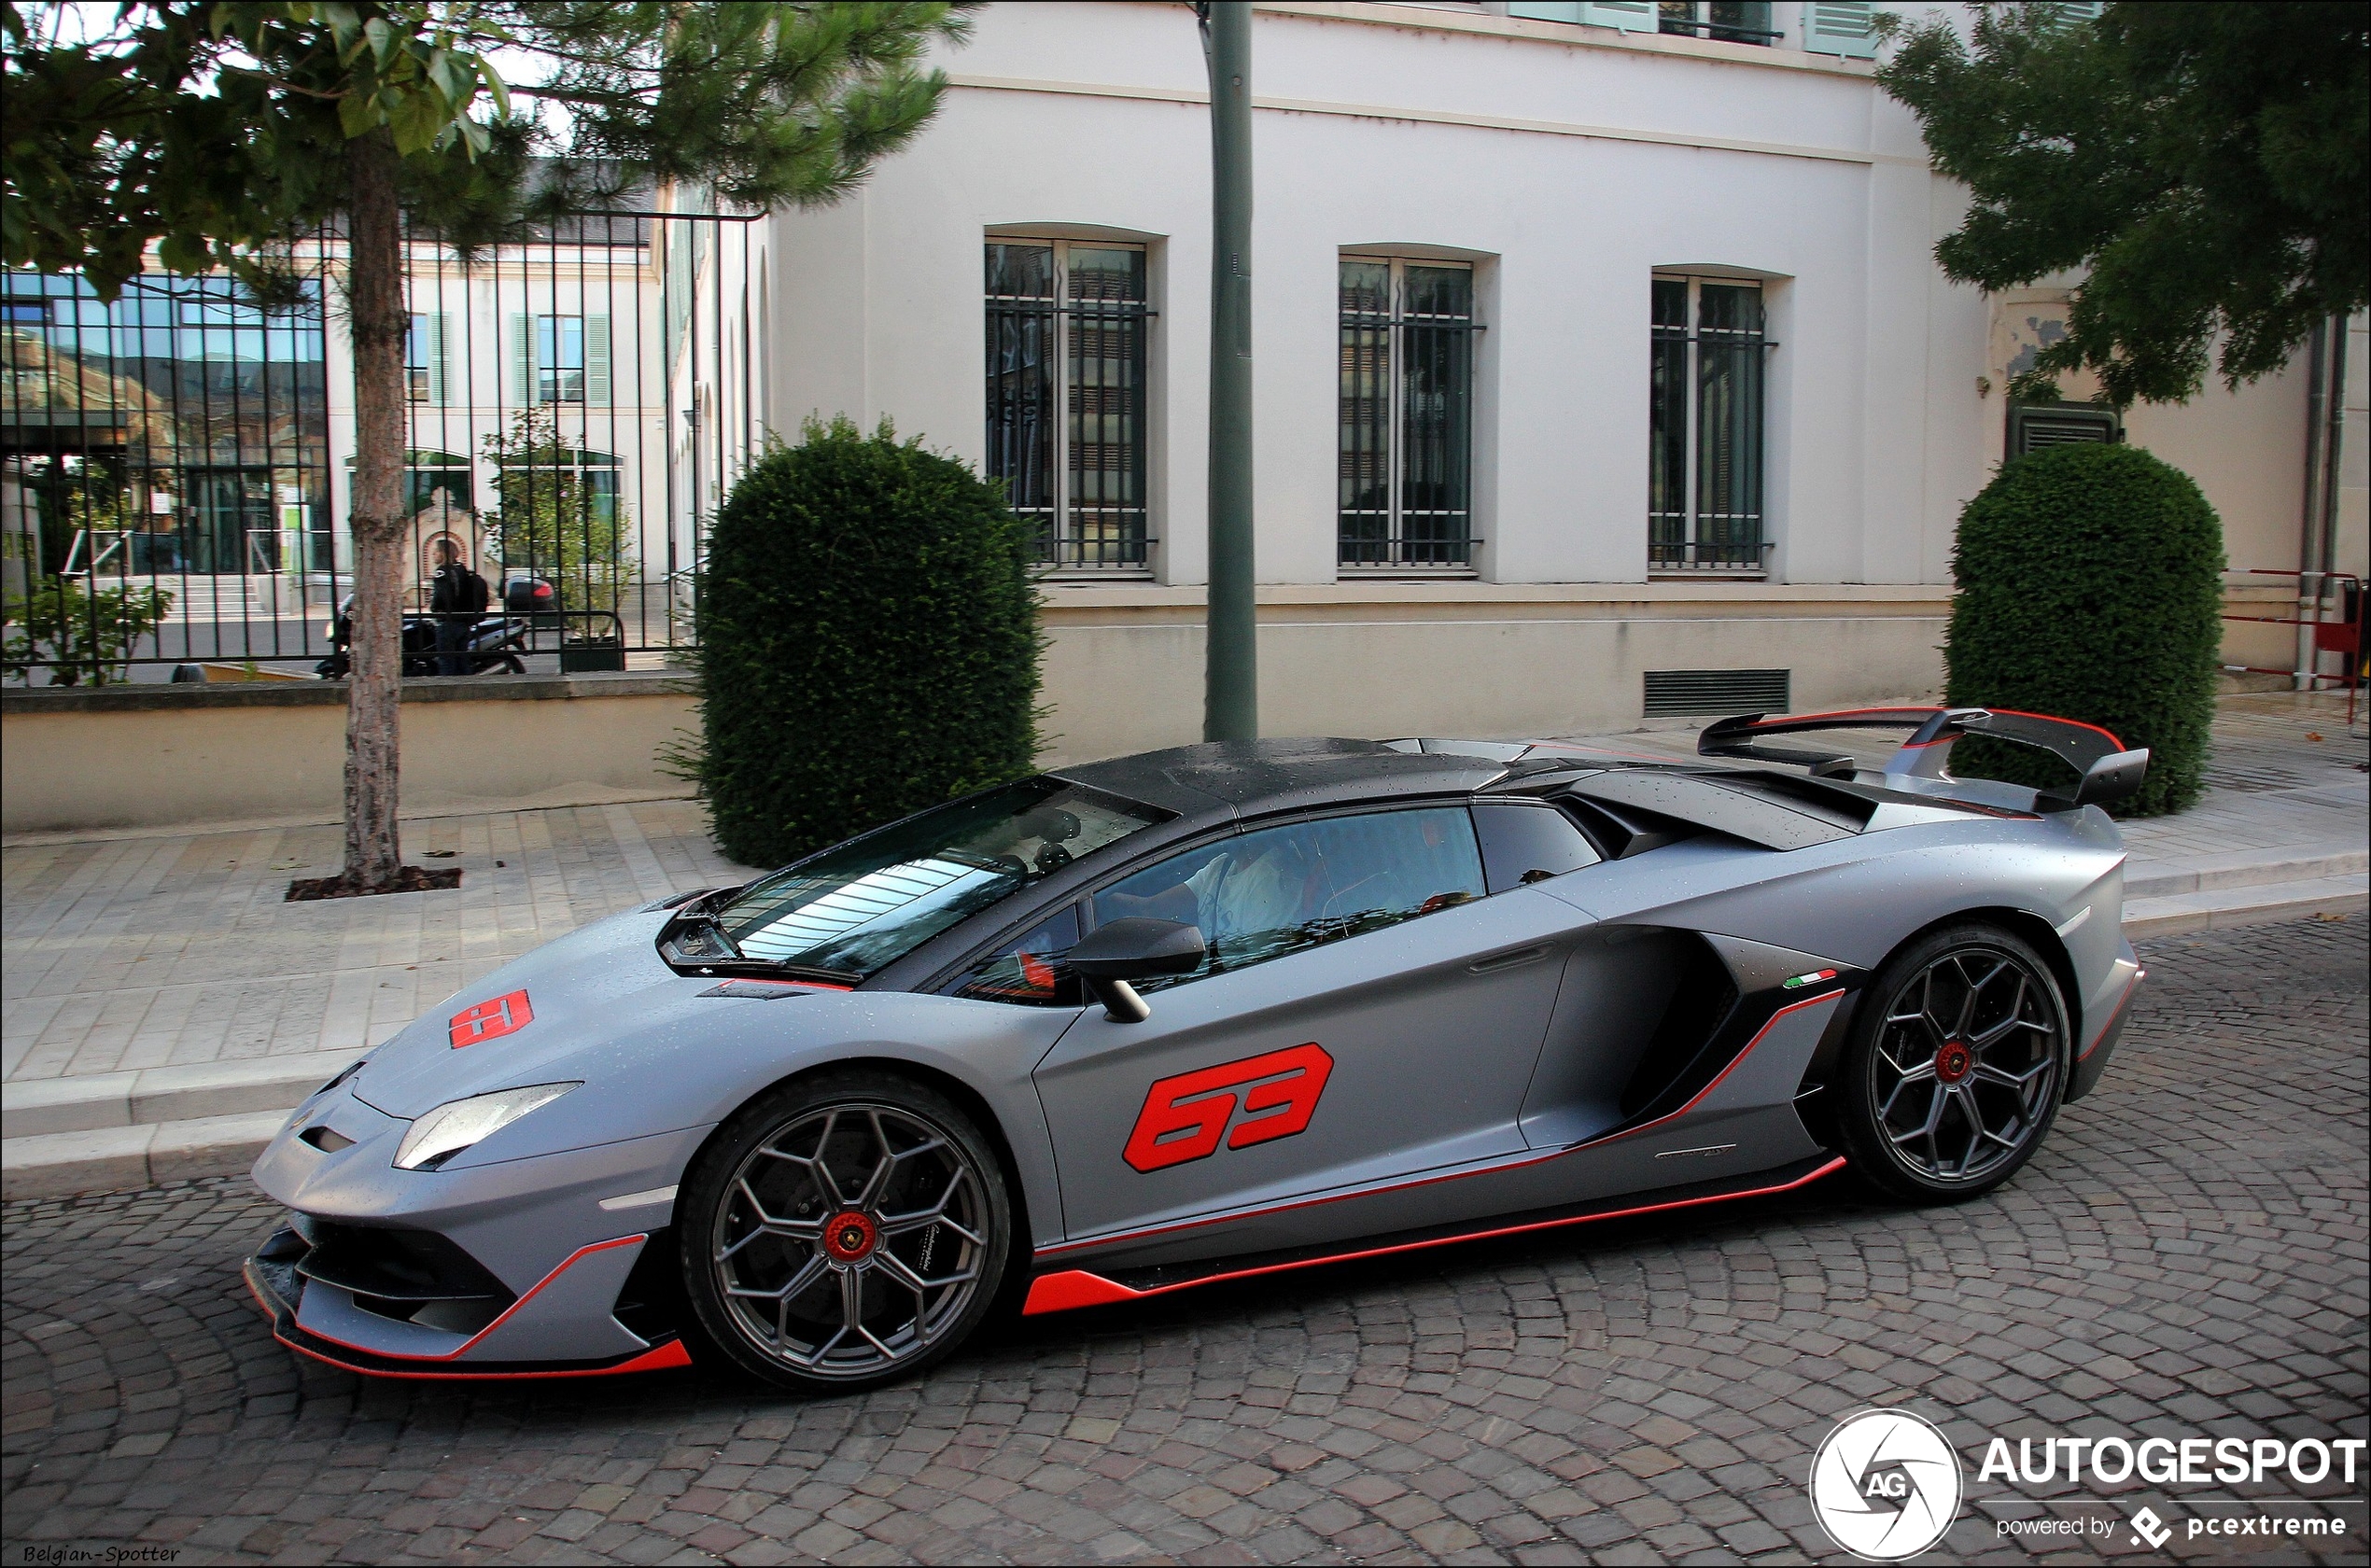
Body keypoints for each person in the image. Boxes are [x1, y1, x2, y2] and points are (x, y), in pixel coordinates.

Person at [426, 539, 490, 676]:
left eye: (436, 551)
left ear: (443, 553)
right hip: (463, 622)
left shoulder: (442, 572)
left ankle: (448, 691)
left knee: (446, 661)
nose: (433, 554)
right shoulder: (462, 569)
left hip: (448, 622)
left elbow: (442, 597)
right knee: (462, 660)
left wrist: (434, 608)